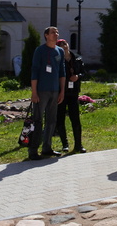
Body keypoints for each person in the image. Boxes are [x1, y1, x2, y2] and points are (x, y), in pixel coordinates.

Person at [28, 26, 66, 160]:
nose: (56, 34)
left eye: (57, 32)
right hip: (41, 90)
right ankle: (33, 150)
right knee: (37, 120)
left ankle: (47, 147)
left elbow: (62, 72)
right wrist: (34, 92)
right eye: (53, 33)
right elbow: (35, 71)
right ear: (46, 35)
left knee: (51, 120)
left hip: (55, 90)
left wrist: (62, 91)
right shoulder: (40, 51)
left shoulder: (60, 51)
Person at [55, 39, 85, 154]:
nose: (64, 46)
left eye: (65, 44)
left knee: (75, 119)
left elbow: (83, 72)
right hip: (61, 92)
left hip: (73, 92)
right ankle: (65, 144)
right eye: (61, 45)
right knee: (60, 119)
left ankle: (78, 144)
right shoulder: (57, 59)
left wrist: (77, 76)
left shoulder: (77, 58)